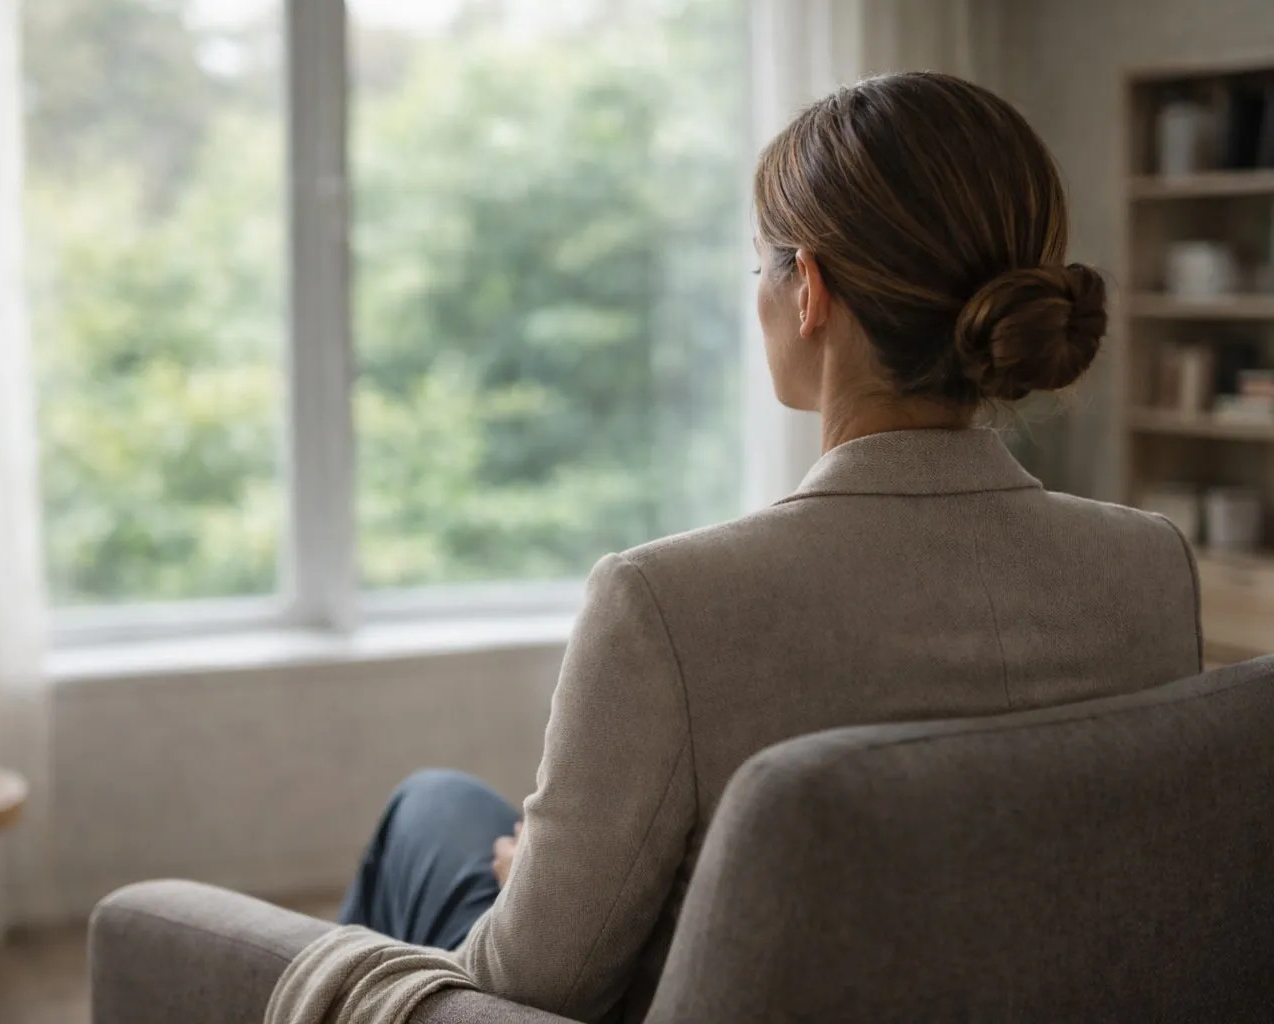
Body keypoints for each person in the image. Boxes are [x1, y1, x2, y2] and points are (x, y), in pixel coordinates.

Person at [335, 71, 1202, 1023]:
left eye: (763, 266)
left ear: (811, 292)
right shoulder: (1150, 566)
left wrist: (524, 884)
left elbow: (536, 985)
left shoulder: (668, 601)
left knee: (428, 812)